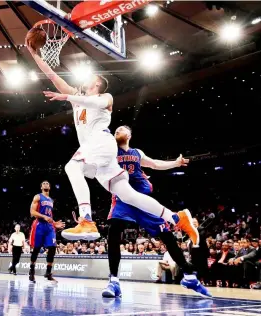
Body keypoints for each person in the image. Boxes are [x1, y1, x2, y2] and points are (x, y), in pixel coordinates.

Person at [26, 41, 199, 246]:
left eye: (91, 78)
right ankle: (176, 217)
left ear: (98, 83)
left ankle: (87, 219)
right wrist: (34, 54)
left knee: (72, 166)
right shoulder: (77, 99)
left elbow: (95, 103)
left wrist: (68, 96)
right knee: (129, 196)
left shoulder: (105, 97)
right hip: (98, 153)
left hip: (100, 141)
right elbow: (53, 76)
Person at [101, 126, 210, 298]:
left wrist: (175, 163)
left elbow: (155, 164)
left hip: (143, 200)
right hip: (123, 199)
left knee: (166, 235)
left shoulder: (137, 152)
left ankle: (188, 275)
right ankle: (114, 281)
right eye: (115, 130)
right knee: (113, 230)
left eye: (120, 129)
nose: (117, 131)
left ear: (129, 134)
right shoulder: (110, 150)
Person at [28, 181, 65, 283]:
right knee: (36, 249)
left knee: (52, 247)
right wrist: (44, 216)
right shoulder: (38, 197)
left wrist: (54, 223)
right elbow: (32, 212)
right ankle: (31, 271)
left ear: (50, 187)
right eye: (43, 183)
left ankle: (48, 273)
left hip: (49, 227)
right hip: (39, 225)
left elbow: (49, 216)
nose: (46, 184)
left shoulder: (51, 200)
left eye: (47, 183)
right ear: (41, 187)